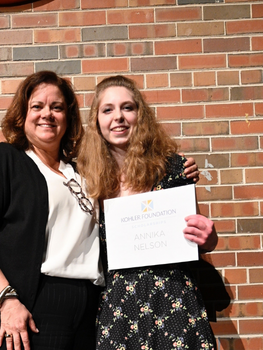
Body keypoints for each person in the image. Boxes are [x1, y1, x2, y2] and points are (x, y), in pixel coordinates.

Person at [0, 71, 200, 350]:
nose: (47, 114)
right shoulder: (3, 159)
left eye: (57, 107)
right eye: (37, 106)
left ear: (68, 118)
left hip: (86, 311)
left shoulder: (84, 172)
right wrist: (6, 299)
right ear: (22, 115)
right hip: (27, 306)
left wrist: (174, 168)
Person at [77, 75, 218, 350]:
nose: (118, 117)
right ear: (97, 120)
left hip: (174, 299)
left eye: (127, 108)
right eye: (108, 110)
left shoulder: (174, 169)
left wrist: (208, 238)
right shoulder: (86, 179)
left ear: (140, 115)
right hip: (118, 310)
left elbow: (198, 242)